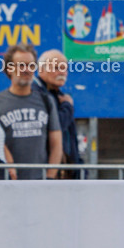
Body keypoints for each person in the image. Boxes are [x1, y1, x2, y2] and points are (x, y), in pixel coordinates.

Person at [0, 46, 63, 180]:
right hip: (5, 183)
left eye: (31, 65)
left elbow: (56, 143)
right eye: (21, 65)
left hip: (39, 183)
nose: (26, 70)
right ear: (9, 68)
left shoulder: (46, 101)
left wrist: (50, 177)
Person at [37, 49, 83, 178]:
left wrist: (78, 165)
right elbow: (57, 126)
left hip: (67, 170)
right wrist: (67, 107)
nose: (62, 72)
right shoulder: (36, 95)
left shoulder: (60, 96)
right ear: (41, 69)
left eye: (64, 68)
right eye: (56, 67)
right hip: (47, 171)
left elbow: (70, 136)